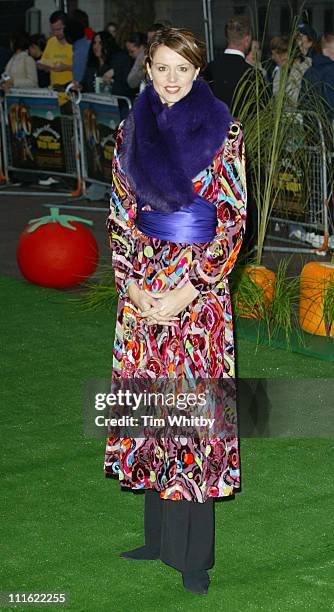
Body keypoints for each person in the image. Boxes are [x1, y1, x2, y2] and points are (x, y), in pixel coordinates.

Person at [104, 27, 247, 595]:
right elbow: (119, 214)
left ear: (196, 72)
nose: (170, 79)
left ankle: (194, 559)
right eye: (161, 68)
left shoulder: (225, 134)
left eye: (182, 70)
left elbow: (232, 220)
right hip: (142, 290)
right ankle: (158, 537)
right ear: (147, 67)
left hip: (195, 295)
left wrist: (189, 289)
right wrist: (133, 287)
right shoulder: (129, 129)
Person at [38, 11, 73, 90]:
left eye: (59, 29)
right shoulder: (51, 41)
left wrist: (66, 67)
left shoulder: (75, 42)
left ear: (66, 26)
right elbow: (44, 61)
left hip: (71, 91)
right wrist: (43, 66)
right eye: (53, 30)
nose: (56, 33)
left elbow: (85, 68)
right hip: (55, 91)